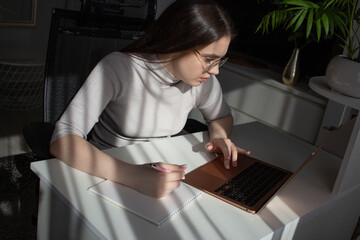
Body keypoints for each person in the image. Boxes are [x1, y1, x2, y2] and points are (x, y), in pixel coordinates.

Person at [49, 0, 250, 198]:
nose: (214, 70)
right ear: (178, 42)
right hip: (106, 173)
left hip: (161, 173)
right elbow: (63, 139)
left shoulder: (202, 82)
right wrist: (134, 175)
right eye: (208, 59)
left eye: (219, 60)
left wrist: (219, 138)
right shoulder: (119, 68)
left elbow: (220, 116)